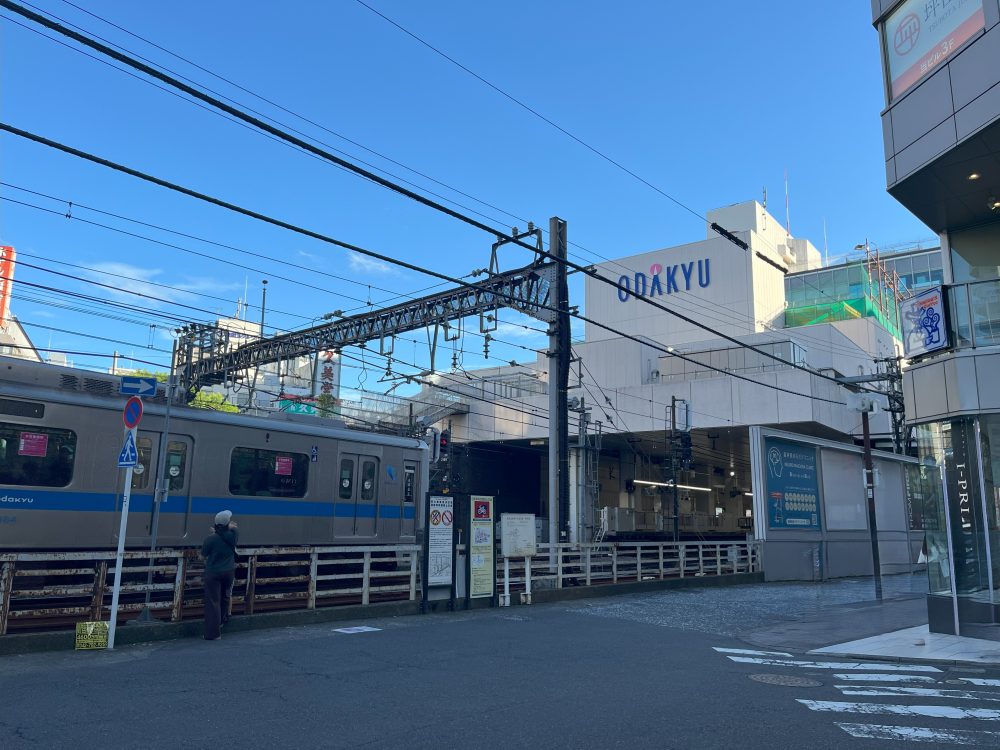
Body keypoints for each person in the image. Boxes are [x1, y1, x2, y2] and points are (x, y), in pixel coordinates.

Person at [201, 510, 238, 641]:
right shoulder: (233, 536)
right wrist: (230, 527)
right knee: (225, 596)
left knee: (213, 602)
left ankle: (213, 634)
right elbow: (231, 531)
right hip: (229, 572)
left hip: (213, 572)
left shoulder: (210, 539)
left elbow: (203, 555)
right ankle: (222, 621)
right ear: (228, 524)